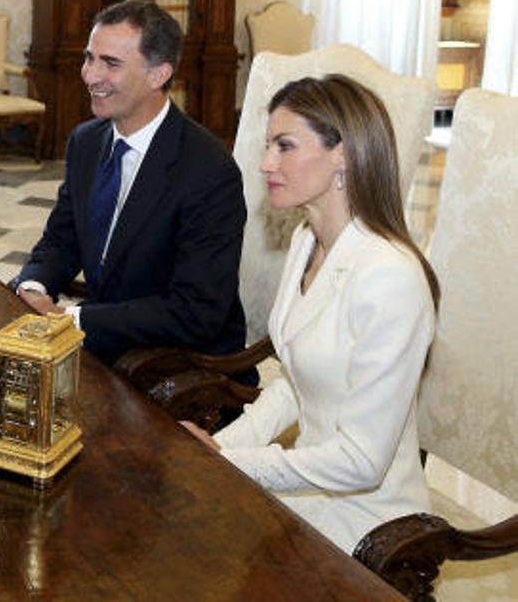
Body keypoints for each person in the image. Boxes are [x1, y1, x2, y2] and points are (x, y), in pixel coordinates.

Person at [182, 75, 438, 554]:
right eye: (267, 147)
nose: (265, 164)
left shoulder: (390, 276)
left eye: (284, 147)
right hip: (306, 490)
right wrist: (222, 447)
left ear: (342, 153)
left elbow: (363, 461)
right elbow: (296, 385)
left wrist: (238, 463)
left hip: (368, 523)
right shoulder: (305, 241)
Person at [11, 0, 248, 367]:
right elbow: (62, 239)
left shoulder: (209, 171)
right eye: (90, 58)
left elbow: (196, 312)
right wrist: (33, 287)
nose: (90, 75)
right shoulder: (85, 142)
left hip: (177, 363)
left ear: (158, 75)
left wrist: (73, 320)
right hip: (109, 342)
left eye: (111, 64)